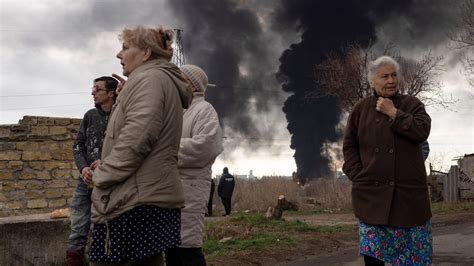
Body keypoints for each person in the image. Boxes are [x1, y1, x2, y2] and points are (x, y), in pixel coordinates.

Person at [88, 25, 192, 265]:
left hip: (135, 202)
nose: (118, 54)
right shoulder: (151, 80)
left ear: (146, 53)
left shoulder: (150, 80)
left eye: (125, 48)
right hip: (145, 196)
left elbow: (137, 139)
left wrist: (102, 174)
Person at [342, 55, 432, 265]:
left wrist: (395, 113)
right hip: (372, 200)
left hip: (409, 201)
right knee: (373, 260)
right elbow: (349, 146)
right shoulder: (360, 109)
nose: (391, 80)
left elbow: (422, 131)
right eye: (385, 76)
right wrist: (358, 175)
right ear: (372, 81)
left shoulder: (412, 104)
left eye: (394, 75)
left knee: (414, 260)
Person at [164, 64, 223, 266]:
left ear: (190, 84)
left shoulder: (204, 110)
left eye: (177, 77)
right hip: (168, 188)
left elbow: (207, 146)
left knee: (188, 249)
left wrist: (164, 149)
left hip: (190, 189)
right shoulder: (176, 110)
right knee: (171, 249)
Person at [66, 76, 118, 266]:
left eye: (97, 89)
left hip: (109, 183)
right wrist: (84, 167)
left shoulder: (120, 115)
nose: (93, 92)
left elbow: (127, 147)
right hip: (85, 182)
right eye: (93, 89)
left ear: (111, 93)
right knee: (77, 230)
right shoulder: (90, 116)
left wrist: (105, 163)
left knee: (103, 229)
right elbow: (78, 145)